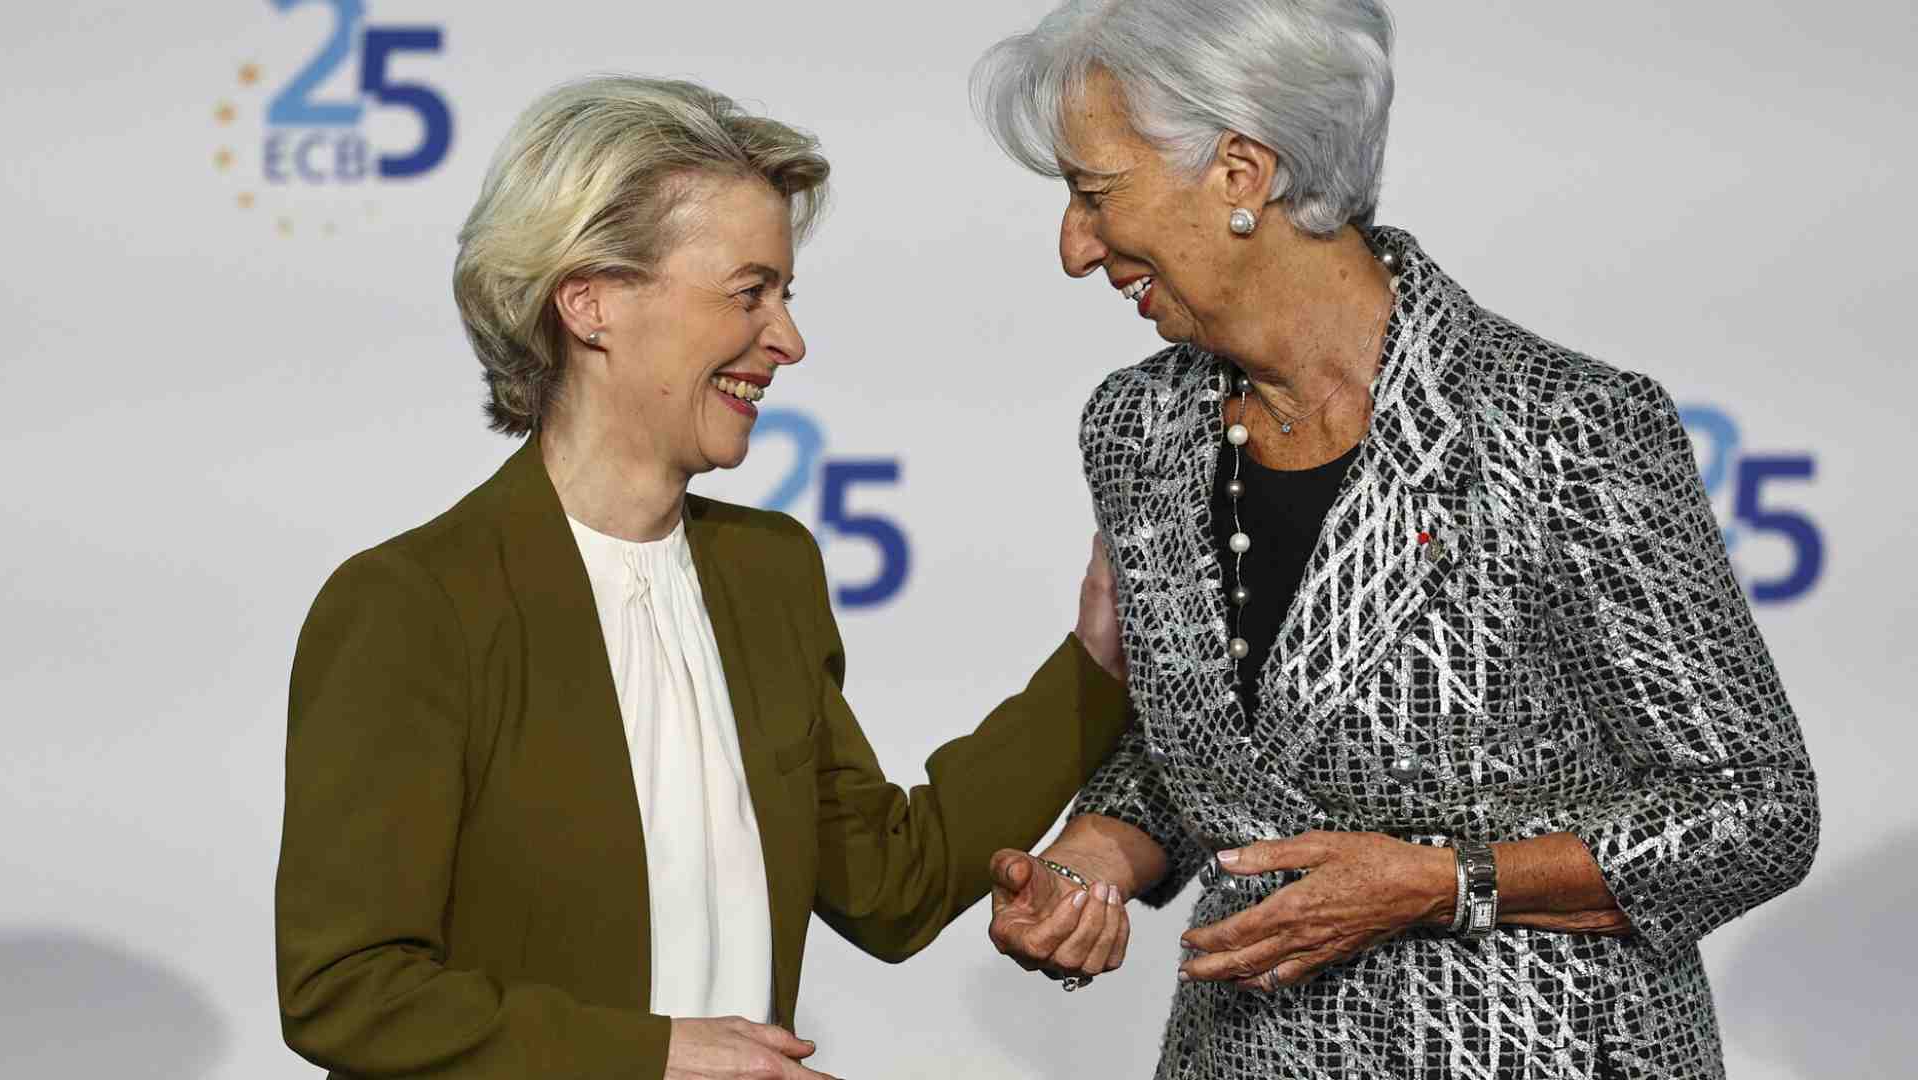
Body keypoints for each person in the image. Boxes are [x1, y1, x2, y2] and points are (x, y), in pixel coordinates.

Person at [971, 2, 1821, 1077]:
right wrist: (1094, 859)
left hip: (1538, 1049)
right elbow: (1234, 748)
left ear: (1241, 172)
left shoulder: (1562, 428)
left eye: (1095, 194)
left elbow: (1756, 808)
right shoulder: (1138, 428)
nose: (1074, 248)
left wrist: (1447, 882)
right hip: (1249, 1050)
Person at [274, 75, 1130, 1080]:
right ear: (590, 301)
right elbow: (346, 988)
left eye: (786, 295)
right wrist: (653, 1056)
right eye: (748, 292)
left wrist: (1096, 663)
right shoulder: (414, 606)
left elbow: (891, 885)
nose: (788, 340)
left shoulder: (769, 572)